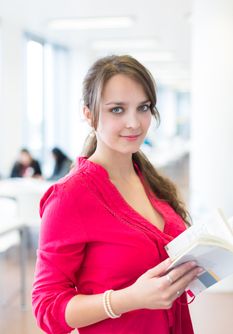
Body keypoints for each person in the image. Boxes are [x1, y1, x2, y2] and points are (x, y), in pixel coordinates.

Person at [32, 55, 202, 334]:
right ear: (89, 114)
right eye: (117, 110)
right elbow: (46, 307)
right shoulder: (69, 196)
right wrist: (130, 299)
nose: (134, 123)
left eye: (143, 107)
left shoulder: (148, 179)